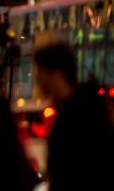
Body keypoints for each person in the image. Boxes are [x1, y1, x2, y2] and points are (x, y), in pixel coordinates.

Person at [33, 42, 114, 190]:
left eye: (40, 74)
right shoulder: (83, 108)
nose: (37, 81)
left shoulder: (81, 116)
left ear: (56, 74)